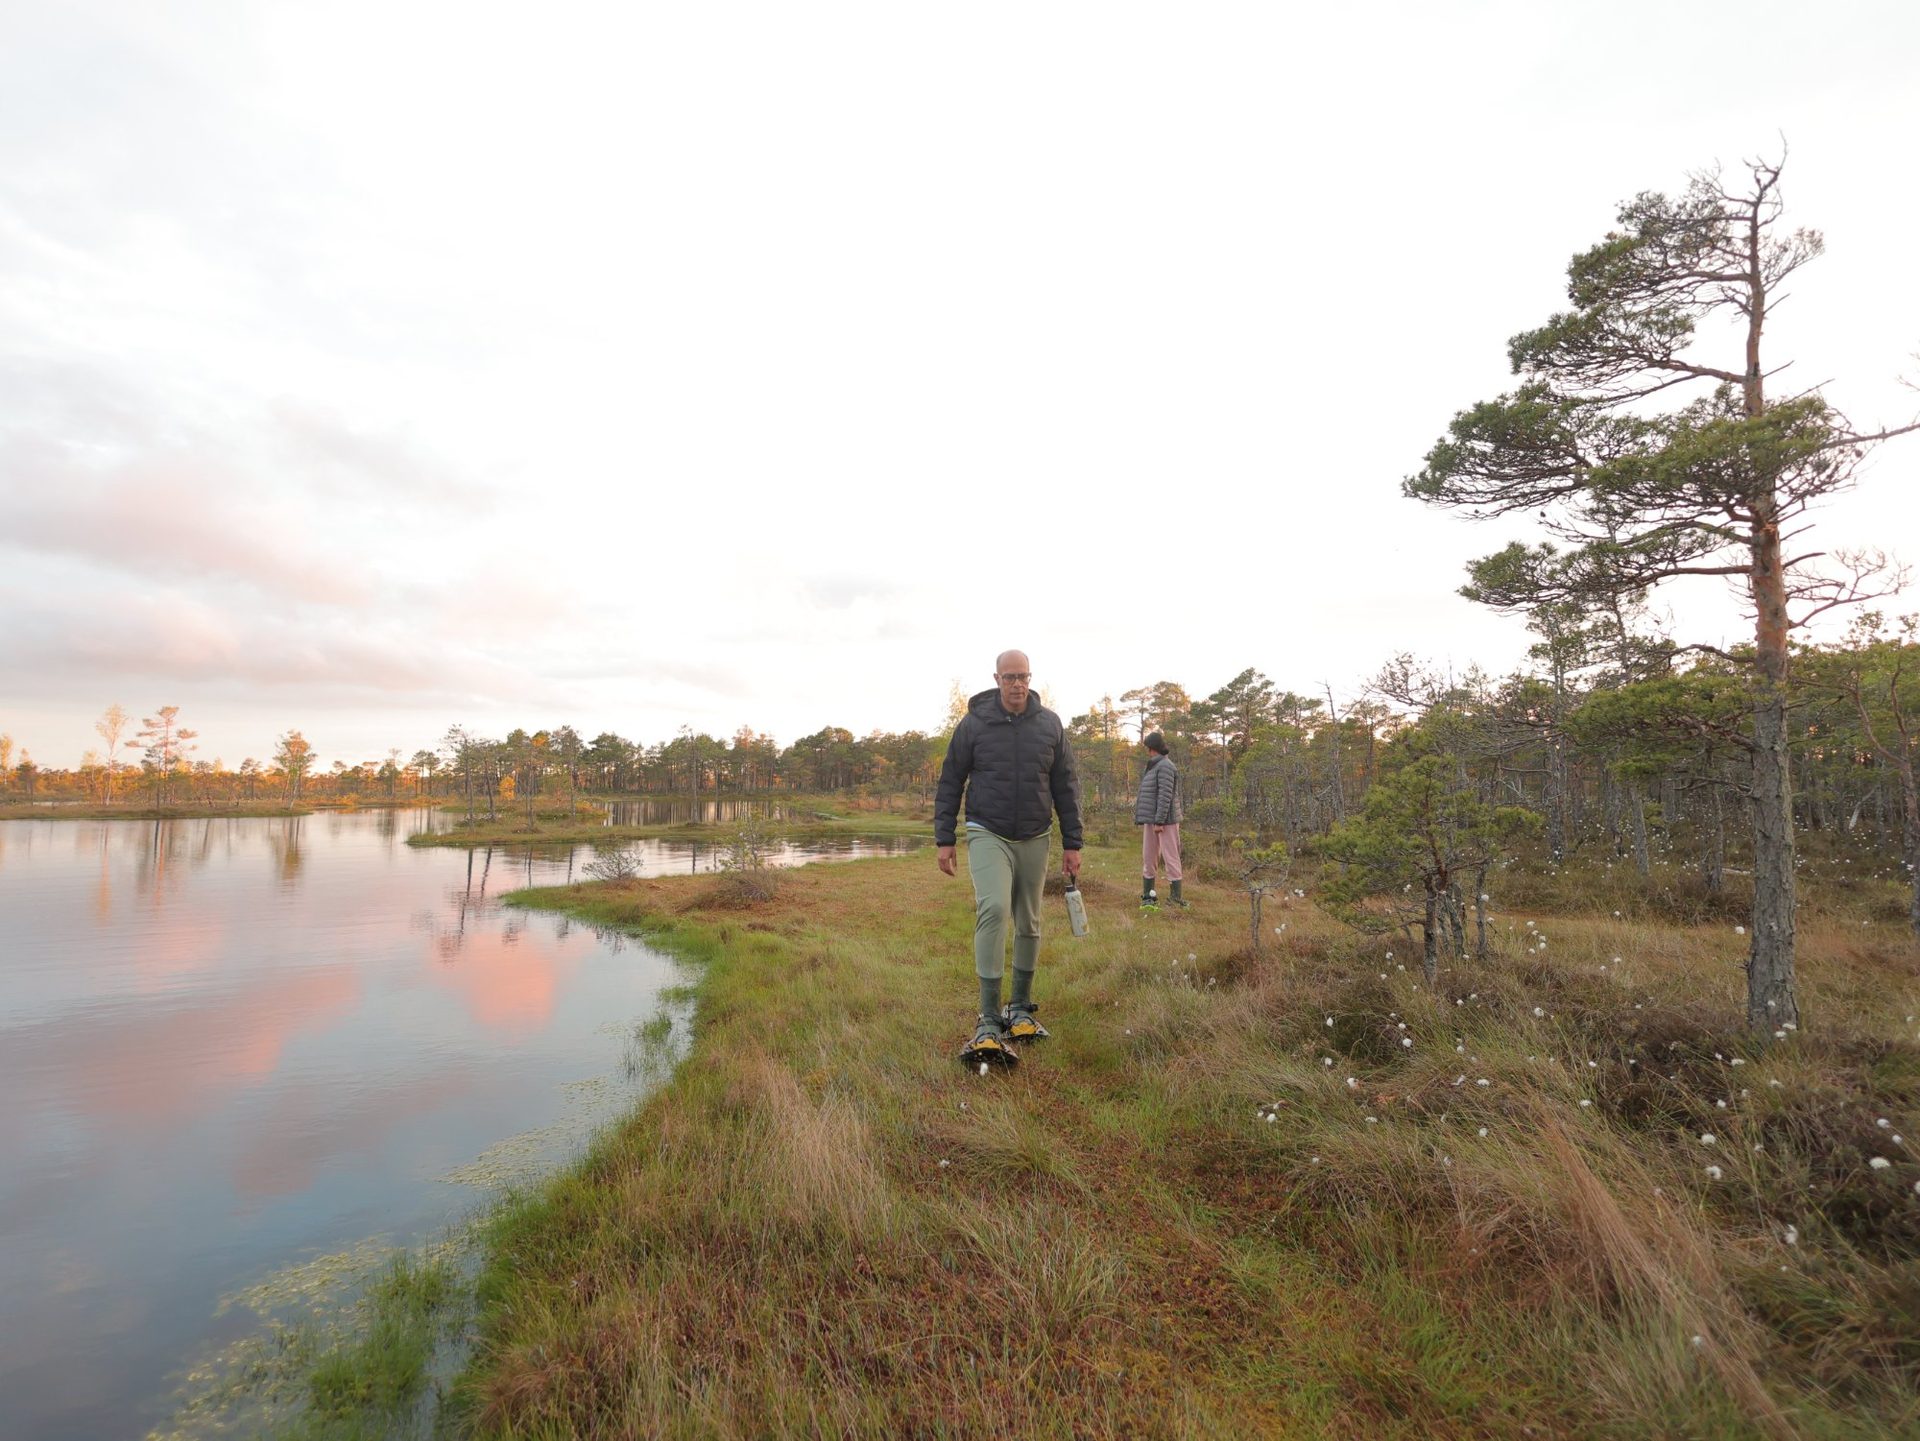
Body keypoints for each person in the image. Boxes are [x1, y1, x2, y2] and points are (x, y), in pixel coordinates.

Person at [933, 649, 1083, 1060]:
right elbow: (951, 779)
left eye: (1023, 676)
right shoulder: (974, 724)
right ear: (996, 679)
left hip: (1036, 834)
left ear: (1031, 678)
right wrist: (944, 837)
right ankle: (987, 1018)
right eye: (1009, 677)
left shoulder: (1049, 724)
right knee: (995, 909)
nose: (1017, 684)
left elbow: (1066, 785)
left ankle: (1019, 1009)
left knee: (1030, 920)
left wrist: (1074, 842)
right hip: (987, 830)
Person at [1133, 730, 1185, 908]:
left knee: (1171, 857)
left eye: (1148, 748)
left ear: (1152, 748)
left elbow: (1165, 795)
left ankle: (1176, 899)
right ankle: (1148, 896)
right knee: (1148, 857)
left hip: (1165, 821)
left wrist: (1160, 821)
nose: (1147, 751)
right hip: (1151, 820)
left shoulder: (1165, 766)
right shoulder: (1154, 765)